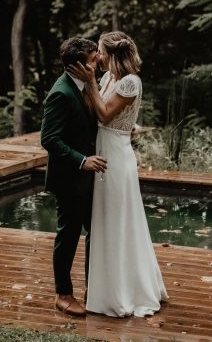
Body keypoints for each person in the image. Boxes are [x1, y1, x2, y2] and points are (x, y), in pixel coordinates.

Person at [68, 30, 168, 318]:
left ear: (111, 54)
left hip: (115, 155)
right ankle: (106, 286)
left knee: (117, 219)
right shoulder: (108, 78)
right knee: (104, 220)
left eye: (100, 50)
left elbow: (104, 114)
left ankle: (125, 291)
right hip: (103, 148)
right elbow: (92, 107)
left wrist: (88, 82)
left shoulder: (130, 82)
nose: (96, 56)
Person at [40, 37, 107, 318]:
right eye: (94, 59)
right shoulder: (61, 93)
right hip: (69, 178)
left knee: (95, 231)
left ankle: (95, 287)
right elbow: (49, 139)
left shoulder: (84, 87)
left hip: (88, 179)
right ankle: (63, 294)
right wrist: (81, 161)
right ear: (78, 65)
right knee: (68, 235)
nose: (99, 62)